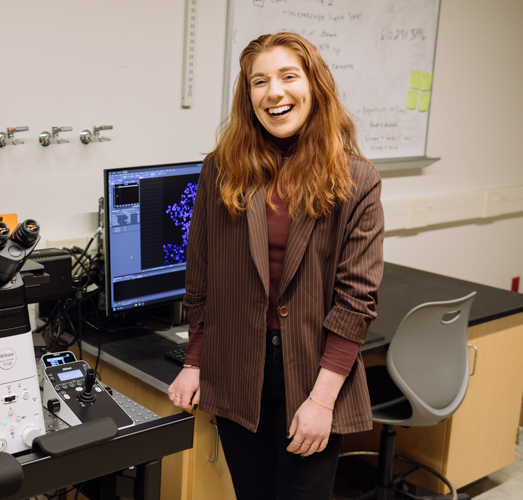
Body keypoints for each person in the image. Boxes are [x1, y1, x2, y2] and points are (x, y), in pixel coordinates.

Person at [167, 32, 384, 499]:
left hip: (312, 372)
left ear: (314, 86)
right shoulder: (220, 170)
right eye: (259, 81)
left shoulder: (356, 179)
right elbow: (200, 274)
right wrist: (194, 360)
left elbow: (356, 301)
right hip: (236, 366)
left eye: (289, 76)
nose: (274, 92)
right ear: (248, 97)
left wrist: (322, 401)